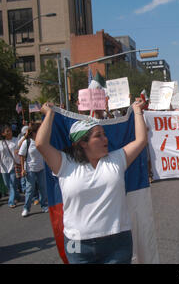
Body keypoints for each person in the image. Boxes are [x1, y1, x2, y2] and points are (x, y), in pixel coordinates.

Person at [35, 99, 148, 264]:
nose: (105, 139)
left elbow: (141, 140)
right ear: (82, 143)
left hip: (118, 242)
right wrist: (49, 114)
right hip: (77, 244)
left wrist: (137, 110)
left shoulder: (116, 159)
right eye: (99, 136)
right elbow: (40, 143)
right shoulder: (64, 163)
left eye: (104, 134)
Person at [18, 123, 48, 217]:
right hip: (30, 169)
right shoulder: (27, 142)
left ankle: (44, 205)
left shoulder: (42, 141)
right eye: (38, 131)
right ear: (34, 133)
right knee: (30, 189)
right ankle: (26, 208)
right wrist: (23, 169)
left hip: (41, 168)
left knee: (43, 188)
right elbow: (22, 156)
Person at [0, 125, 20, 208]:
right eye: (7, 131)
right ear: (3, 133)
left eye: (10, 130)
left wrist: (18, 151)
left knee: (12, 184)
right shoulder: (1, 143)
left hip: (13, 165)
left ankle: (11, 201)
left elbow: (20, 148)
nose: (9, 132)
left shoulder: (16, 140)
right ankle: (17, 195)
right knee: (7, 184)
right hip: (3, 167)